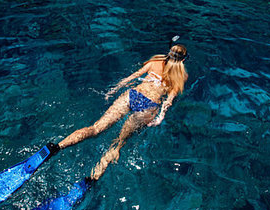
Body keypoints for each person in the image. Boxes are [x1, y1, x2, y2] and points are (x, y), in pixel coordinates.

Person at [58, 43, 188, 181]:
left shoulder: (155, 62)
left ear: (168, 53)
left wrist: (114, 89)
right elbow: (169, 99)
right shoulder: (181, 76)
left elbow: (132, 77)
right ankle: (92, 178)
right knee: (117, 143)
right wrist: (161, 116)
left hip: (132, 95)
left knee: (95, 128)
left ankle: (57, 147)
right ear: (183, 60)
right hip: (148, 106)